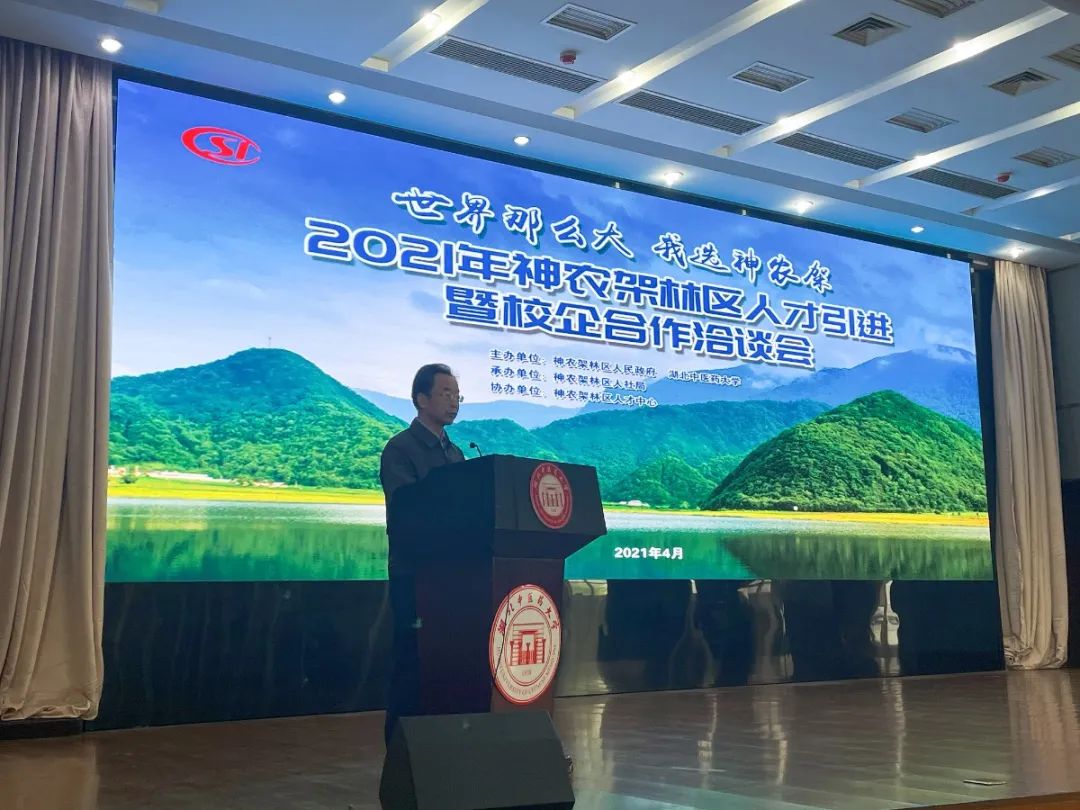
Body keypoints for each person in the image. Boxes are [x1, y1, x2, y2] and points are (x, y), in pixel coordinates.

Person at [379, 363, 466, 744]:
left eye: (457, 395)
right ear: (421, 399)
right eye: (446, 393)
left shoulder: (457, 454)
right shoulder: (400, 449)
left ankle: (441, 750)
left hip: (456, 579)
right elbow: (406, 513)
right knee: (411, 665)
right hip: (414, 576)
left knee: (447, 665)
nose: (454, 401)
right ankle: (400, 754)